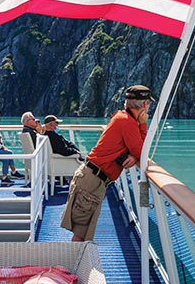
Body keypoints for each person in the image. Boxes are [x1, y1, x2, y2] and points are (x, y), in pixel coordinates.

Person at [61, 85, 154, 242]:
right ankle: (71, 266)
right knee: (81, 234)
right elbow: (141, 151)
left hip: (92, 178)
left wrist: (133, 154)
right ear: (144, 105)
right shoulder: (128, 122)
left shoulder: (122, 117)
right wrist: (143, 125)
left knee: (82, 233)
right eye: (148, 103)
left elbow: (136, 150)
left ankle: (74, 265)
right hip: (92, 181)